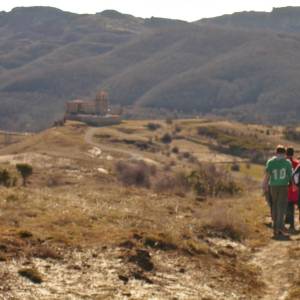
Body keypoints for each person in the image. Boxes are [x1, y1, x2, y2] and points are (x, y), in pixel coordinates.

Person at [263, 145, 292, 240]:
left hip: (273, 186)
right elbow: (290, 175)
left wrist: (265, 186)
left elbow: (267, 176)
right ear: (284, 153)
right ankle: (280, 227)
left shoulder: (270, 162)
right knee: (281, 207)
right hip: (283, 186)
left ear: (276, 153)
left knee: (274, 206)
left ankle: (275, 228)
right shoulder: (287, 162)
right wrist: (294, 185)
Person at [285, 147, 299, 232]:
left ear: (286, 153)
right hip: (296, 189)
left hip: (286, 188)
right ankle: (291, 224)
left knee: (289, 206)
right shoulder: (297, 163)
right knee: (294, 206)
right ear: (293, 154)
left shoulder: (283, 163)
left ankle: (291, 225)